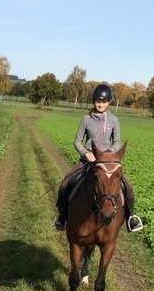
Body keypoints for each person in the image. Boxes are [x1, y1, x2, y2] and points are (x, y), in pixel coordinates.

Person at [53, 84, 143, 232]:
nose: (101, 104)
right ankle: (62, 217)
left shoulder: (114, 120)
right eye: (98, 101)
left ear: (108, 103)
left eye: (104, 101)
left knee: (129, 188)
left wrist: (109, 154)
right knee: (65, 184)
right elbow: (77, 141)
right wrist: (85, 153)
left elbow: (117, 142)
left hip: (107, 162)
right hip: (88, 160)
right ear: (93, 101)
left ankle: (130, 219)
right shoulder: (86, 119)